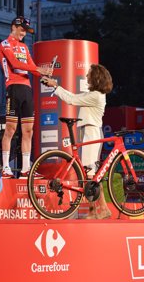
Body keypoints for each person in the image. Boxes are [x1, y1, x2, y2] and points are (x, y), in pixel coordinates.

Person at [43, 64, 113, 219]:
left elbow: (72, 99)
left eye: (89, 74)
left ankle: (96, 210)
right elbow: (74, 98)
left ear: (95, 77)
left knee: (90, 174)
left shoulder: (96, 95)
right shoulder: (95, 94)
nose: (86, 77)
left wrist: (55, 86)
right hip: (88, 132)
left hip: (91, 133)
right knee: (91, 174)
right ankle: (99, 210)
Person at [0, 16, 52, 179]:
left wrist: (45, 74)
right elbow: (15, 64)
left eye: (26, 31)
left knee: (28, 131)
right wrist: (38, 69)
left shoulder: (24, 47)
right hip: (13, 88)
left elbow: (33, 69)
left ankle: (25, 170)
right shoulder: (4, 44)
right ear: (13, 27)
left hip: (27, 89)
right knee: (11, 129)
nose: (24, 34)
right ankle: (6, 168)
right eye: (22, 30)